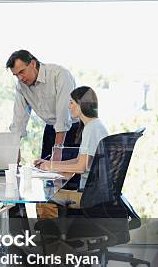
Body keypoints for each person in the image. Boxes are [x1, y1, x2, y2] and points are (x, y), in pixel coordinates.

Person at [35, 86, 109, 218]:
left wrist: (51, 166)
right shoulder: (95, 126)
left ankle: (53, 237)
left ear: (81, 105)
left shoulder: (91, 129)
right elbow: (80, 161)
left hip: (87, 195)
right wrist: (50, 164)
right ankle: (57, 235)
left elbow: (81, 167)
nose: (69, 107)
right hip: (93, 192)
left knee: (43, 199)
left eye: (71, 103)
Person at [6, 50, 81, 163]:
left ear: (33, 64)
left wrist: (57, 150)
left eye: (22, 72)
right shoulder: (21, 86)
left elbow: (63, 115)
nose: (20, 78)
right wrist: (15, 151)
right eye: (16, 75)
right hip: (51, 129)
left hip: (74, 130)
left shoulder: (59, 74)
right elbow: (18, 120)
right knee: (46, 174)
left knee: (70, 176)